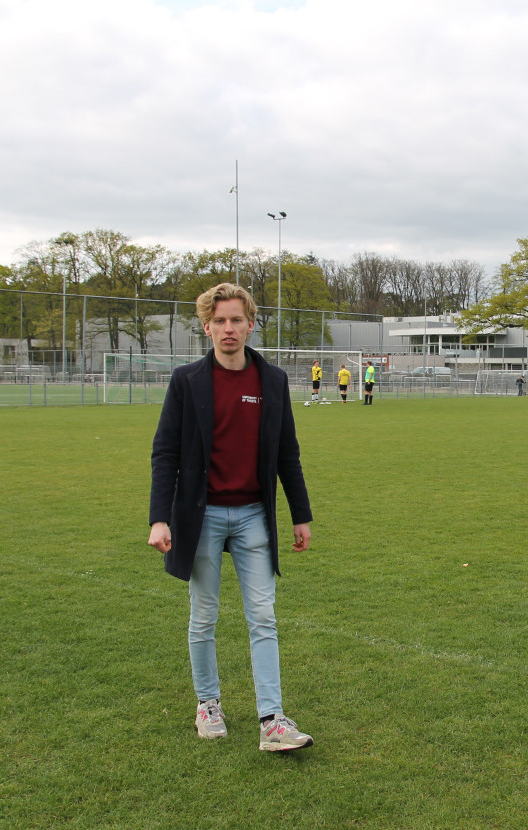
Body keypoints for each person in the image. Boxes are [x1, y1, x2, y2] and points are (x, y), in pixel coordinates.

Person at [148, 282, 315, 751]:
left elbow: (287, 453)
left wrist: (300, 514)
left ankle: (272, 720)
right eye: (219, 321)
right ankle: (208, 704)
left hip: (252, 517)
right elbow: (166, 453)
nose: (228, 328)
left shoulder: (273, 381)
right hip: (200, 518)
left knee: (263, 616)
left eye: (236, 320)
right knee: (204, 616)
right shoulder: (187, 381)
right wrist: (160, 517)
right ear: (206, 327)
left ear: (251, 323)